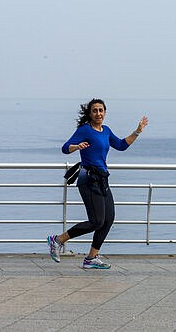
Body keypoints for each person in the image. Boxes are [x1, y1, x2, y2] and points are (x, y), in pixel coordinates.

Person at [48, 99, 148, 269]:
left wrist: (137, 131)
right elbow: (65, 148)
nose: (98, 113)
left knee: (108, 219)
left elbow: (122, 145)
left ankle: (91, 258)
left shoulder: (106, 131)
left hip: (102, 179)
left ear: (105, 112)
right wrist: (77, 146)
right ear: (90, 113)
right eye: (94, 110)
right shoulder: (85, 130)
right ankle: (57, 240)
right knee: (96, 221)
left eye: (101, 110)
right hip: (88, 180)